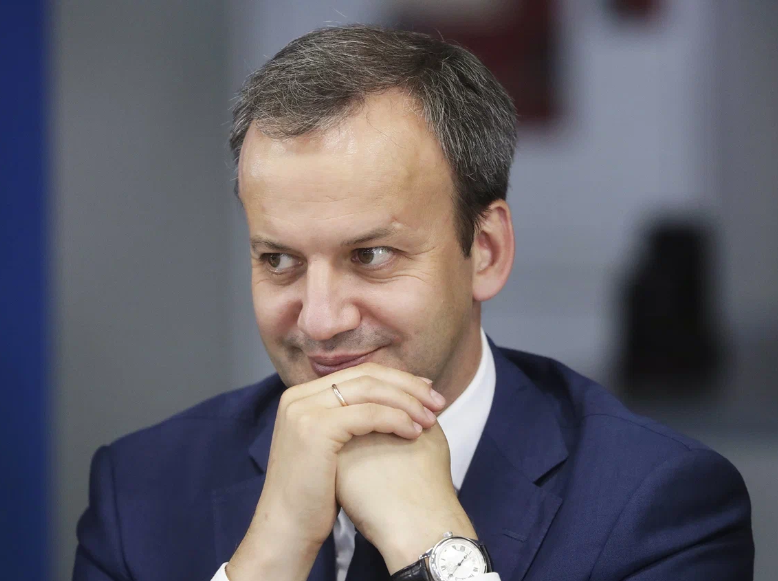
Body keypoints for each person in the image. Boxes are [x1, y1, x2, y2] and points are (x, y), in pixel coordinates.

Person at [73, 25, 754, 581]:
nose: (320, 320)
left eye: (370, 255)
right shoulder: (140, 491)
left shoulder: (656, 504)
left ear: (486, 250)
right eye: (279, 260)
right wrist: (271, 556)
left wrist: (434, 550)